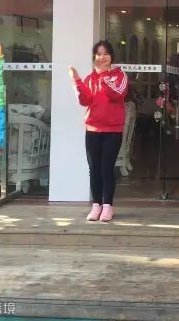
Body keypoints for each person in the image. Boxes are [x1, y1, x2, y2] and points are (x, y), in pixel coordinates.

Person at [69, 40, 128, 222]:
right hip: (92, 129)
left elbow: (117, 94)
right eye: (99, 54)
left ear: (111, 56)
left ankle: (108, 206)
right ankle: (96, 205)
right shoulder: (90, 78)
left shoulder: (120, 76)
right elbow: (84, 100)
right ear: (94, 57)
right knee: (94, 168)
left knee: (106, 168)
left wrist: (104, 77)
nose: (102, 57)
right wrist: (77, 81)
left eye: (106, 53)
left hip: (113, 130)